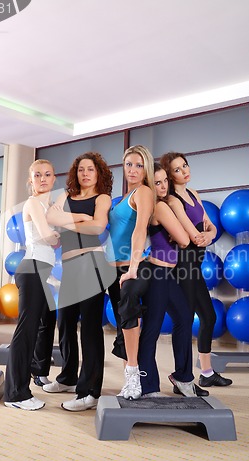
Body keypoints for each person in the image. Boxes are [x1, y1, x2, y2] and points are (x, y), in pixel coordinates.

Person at [44, 152, 116, 411]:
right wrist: (83, 219)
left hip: (92, 264)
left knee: (90, 329)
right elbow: (50, 218)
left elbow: (98, 228)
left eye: (91, 170)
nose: (85, 174)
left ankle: (90, 392)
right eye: (81, 170)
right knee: (64, 321)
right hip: (70, 266)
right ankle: (68, 378)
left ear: (99, 174)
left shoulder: (103, 198)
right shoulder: (67, 196)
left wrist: (72, 221)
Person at [160, 152, 232, 388]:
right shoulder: (172, 201)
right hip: (182, 265)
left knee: (208, 317)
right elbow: (193, 234)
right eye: (177, 169)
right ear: (170, 175)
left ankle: (207, 372)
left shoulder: (194, 194)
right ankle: (182, 377)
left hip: (195, 265)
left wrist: (209, 234)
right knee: (185, 320)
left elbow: (209, 228)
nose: (184, 171)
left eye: (185, 166)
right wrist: (204, 235)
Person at [138, 163, 209, 397]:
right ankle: (148, 386)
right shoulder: (159, 207)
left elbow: (181, 236)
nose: (163, 186)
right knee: (152, 330)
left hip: (167, 274)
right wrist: (179, 231)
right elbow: (185, 240)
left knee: (184, 318)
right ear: (149, 185)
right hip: (157, 275)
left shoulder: (164, 205)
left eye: (164, 181)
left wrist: (179, 231)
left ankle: (182, 378)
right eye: (157, 183)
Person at [4, 159, 60, 410]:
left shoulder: (50, 205)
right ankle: (16, 394)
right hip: (32, 269)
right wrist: (57, 236)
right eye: (37, 175)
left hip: (41, 271)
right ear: (31, 180)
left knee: (44, 323)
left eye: (47, 174)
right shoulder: (33, 202)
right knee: (25, 332)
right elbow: (48, 236)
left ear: (54, 178)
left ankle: (33, 376)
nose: (43, 178)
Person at [106, 145, 155, 400]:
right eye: (128, 164)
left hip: (131, 266)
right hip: (112, 270)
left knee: (128, 314)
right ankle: (129, 382)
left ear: (146, 167)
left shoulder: (144, 192)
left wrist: (134, 268)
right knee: (122, 324)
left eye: (138, 165)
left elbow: (140, 230)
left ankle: (134, 375)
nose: (132, 170)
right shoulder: (124, 196)